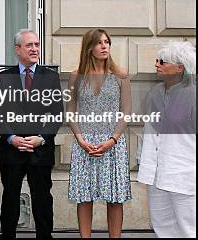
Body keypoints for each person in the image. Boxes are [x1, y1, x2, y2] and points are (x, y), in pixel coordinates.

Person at [0, 29, 63, 239]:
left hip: (40, 149)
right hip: (12, 150)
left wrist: (41, 138)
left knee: (42, 199)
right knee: (10, 198)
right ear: (17, 49)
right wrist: (12, 138)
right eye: (29, 45)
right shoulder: (4, 77)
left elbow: (56, 113)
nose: (34, 49)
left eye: (37, 45)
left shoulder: (50, 77)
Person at [67, 28, 132, 238]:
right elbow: (70, 111)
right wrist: (80, 139)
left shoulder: (120, 75)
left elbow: (126, 112)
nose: (105, 46)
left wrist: (112, 140)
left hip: (113, 142)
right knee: (84, 198)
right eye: (99, 42)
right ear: (89, 47)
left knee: (115, 198)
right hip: (84, 142)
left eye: (107, 42)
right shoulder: (76, 76)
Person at [138, 41, 196, 238]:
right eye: (157, 60)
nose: (157, 64)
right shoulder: (155, 93)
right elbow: (149, 131)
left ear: (180, 68)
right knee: (162, 226)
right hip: (155, 173)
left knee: (189, 228)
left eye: (163, 61)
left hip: (184, 174)